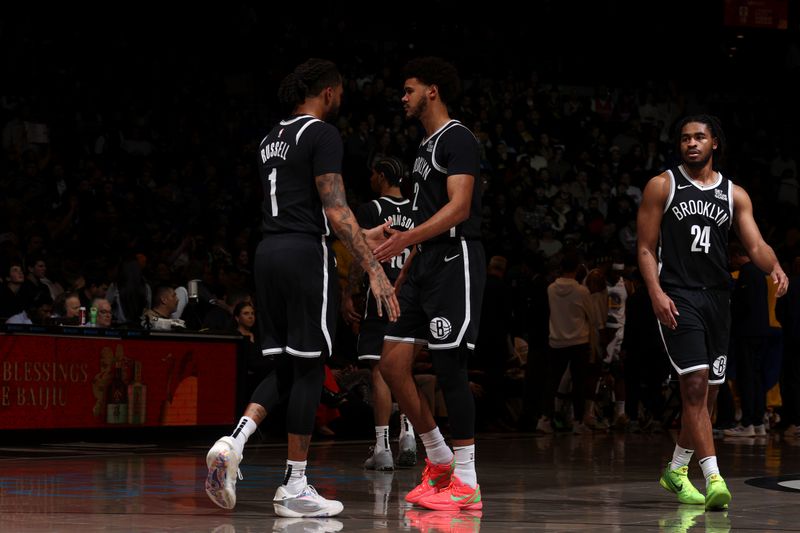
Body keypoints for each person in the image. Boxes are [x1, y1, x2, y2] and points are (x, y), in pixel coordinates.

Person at [204, 58, 399, 518]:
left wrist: (353, 236)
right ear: (328, 92)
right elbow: (333, 206)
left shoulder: (272, 138)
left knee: (288, 368)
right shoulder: (323, 133)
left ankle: (234, 442)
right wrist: (371, 265)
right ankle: (294, 484)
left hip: (268, 253)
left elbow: (305, 207)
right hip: (304, 257)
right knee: (312, 368)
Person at [637, 114, 788, 511]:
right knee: (695, 386)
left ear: (714, 143)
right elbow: (646, 248)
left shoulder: (734, 194)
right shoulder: (662, 186)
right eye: (685, 137)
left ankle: (676, 468)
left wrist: (773, 265)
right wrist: (655, 292)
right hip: (678, 295)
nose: (691, 143)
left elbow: (754, 245)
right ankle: (715, 477)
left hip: (719, 300)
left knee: (710, 397)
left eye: (699, 137)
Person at [373, 56, 485, 511]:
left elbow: (458, 208)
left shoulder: (457, 139)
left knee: (449, 369)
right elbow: (422, 219)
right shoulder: (423, 148)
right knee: (392, 364)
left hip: (455, 259)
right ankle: (438, 458)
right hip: (423, 265)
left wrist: (408, 238)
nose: (403, 98)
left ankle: (468, 479)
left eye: (409, 89)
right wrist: (403, 274)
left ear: (432, 91)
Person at [342, 155, 418, 471]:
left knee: (380, 372)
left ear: (383, 175)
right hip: (412, 297)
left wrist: (347, 293)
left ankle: (383, 447)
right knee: (405, 370)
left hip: (381, 296)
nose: (371, 179)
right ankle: (410, 434)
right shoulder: (418, 211)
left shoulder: (372, 210)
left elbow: (362, 254)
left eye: (373, 174)